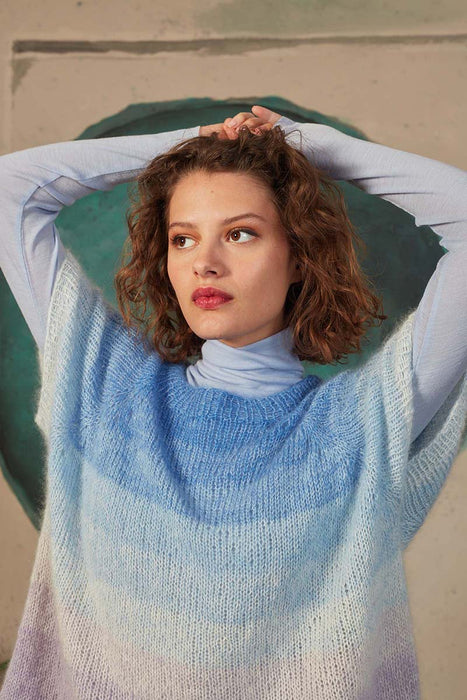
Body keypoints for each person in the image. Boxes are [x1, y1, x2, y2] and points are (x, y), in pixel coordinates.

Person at [0, 104, 465, 699]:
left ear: (298, 255)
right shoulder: (105, 384)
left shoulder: (357, 426)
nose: (205, 263)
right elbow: (11, 188)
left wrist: (312, 150)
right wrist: (191, 144)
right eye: (183, 238)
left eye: (240, 233)